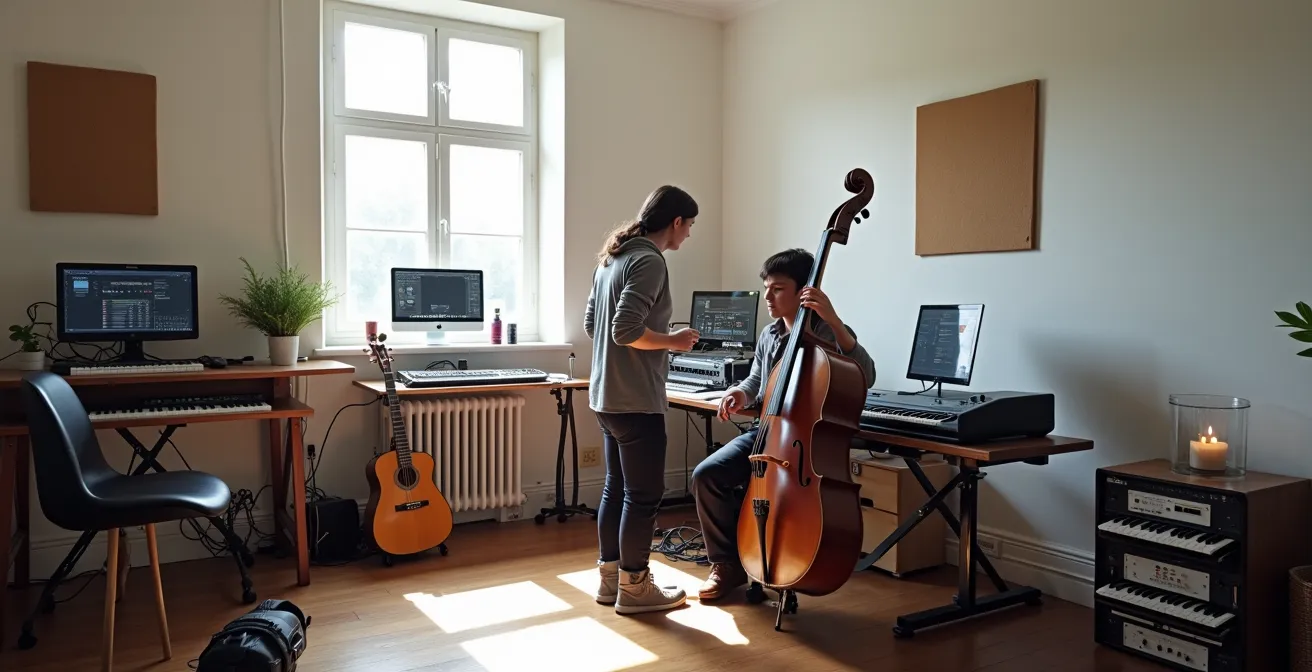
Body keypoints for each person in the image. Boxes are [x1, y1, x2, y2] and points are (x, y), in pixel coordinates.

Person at [689, 248, 876, 601]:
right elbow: (757, 382)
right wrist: (740, 394)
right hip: (767, 435)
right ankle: (727, 565)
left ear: (803, 291)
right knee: (706, 475)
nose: (768, 297)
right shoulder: (769, 335)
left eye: (777, 289)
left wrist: (835, 321)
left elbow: (866, 374)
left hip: (806, 444)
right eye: (766, 288)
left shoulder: (830, 332)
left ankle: (795, 556)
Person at [583, 185, 701, 615]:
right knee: (645, 495)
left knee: (617, 489)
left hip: (606, 396)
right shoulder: (650, 260)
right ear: (675, 222)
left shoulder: (611, 258)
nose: (688, 235)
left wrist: (619, 362)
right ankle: (635, 588)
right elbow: (624, 330)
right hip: (635, 400)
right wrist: (673, 341)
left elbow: (593, 324)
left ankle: (610, 580)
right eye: (689, 226)